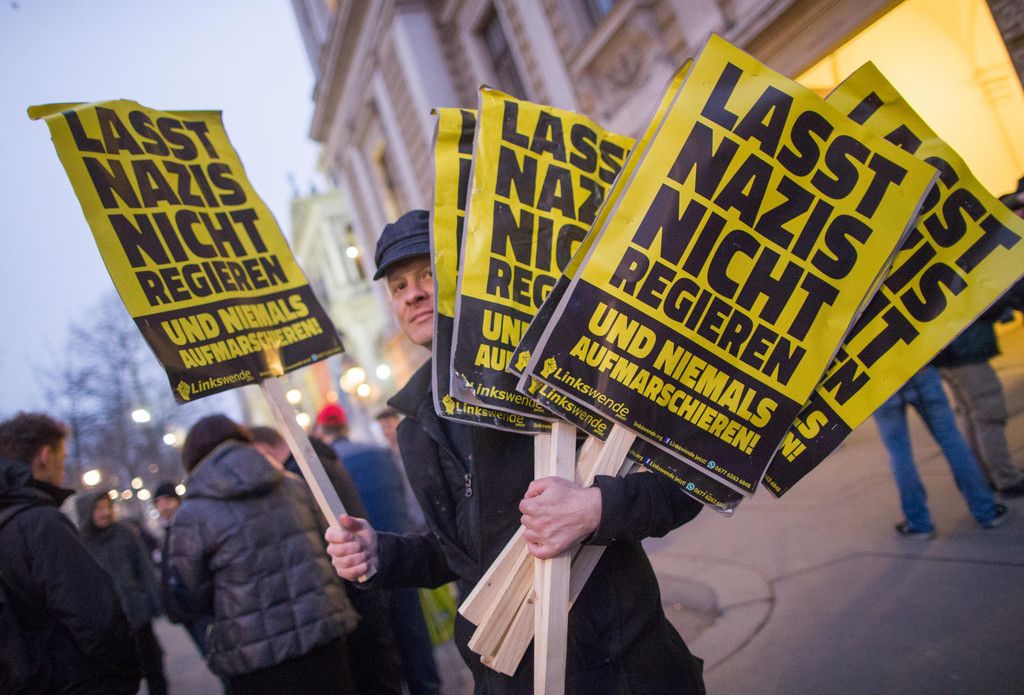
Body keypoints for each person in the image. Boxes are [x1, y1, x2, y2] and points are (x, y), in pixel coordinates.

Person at [326, 209, 706, 693]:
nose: (413, 293)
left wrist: (595, 508)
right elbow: (461, 554)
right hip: (505, 677)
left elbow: (686, 481)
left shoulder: (545, 372)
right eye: (399, 286)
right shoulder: (415, 426)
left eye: (429, 273)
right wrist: (382, 553)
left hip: (619, 669)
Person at [163, 415, 358, 695]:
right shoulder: (294, 485)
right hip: (323, 635)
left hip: (254, 657)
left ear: (192, 458)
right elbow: (330, 550)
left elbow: (190, 597)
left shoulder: (192, 514)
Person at [249, 425, 403, 695]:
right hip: (361, 584)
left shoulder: (300, 475)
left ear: (262, 449)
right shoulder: (317, 459)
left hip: (351, 588)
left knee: (374, 674)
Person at [0, 412, 140, 694]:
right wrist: (126, 673)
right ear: (45, 455)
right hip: (76, 682)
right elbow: (95, 618)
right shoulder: (41, 523)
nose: (63, 469)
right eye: (63, 458)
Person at [314, 405, 442, 695]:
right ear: (345, 426)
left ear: (321, 431)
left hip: (363, 564)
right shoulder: (380, 454)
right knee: (413, 632)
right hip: (405, 550)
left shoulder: (328, 467)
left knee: (383, 647)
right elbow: (411, 500)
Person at [873, 367, 1009, 538]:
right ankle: (986, 511)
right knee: (952, 440)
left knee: (899, 453)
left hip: (878, 385)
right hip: (920, 370)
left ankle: (919, 523)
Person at [76, 491, 167, 695]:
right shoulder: (81, 544)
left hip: (137, 613)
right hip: (108, 623)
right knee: (122, 675)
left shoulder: (124, 533)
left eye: (108, 507)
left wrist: (152, 601)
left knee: (153, 665)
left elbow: (143, 568)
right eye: (99, 508)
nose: (105, 512)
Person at [932, 309, 1024, 497]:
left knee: (972, 416)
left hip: (952, 352)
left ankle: (987, 475)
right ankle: (1005, 477)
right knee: (989, 414)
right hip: (966, 350)